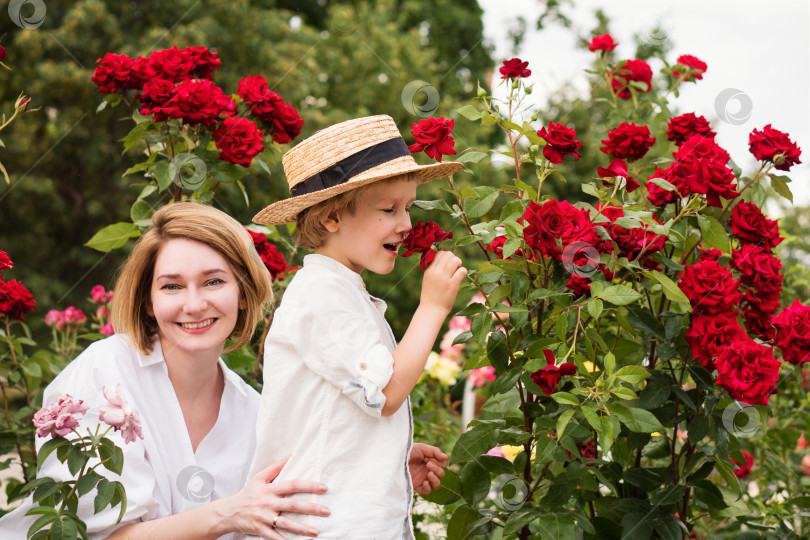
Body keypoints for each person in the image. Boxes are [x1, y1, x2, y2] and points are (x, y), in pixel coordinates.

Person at [0, 203, 332, 539]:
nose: (194, 304)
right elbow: (85, 536)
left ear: (243, 293)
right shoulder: (104, 372)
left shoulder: (257, 414)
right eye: (172, 286)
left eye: (213, 281)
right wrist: (226, 514)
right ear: (148, 301)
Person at [247, 115, 466, 539]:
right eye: (388, 209)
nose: (405, 224)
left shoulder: (343, 292)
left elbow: (341, 414)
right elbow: (384, 392)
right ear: (331, 218)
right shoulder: (321, 294)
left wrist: (391, 453)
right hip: (323, 528)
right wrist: (433, 307)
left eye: (408, 207)